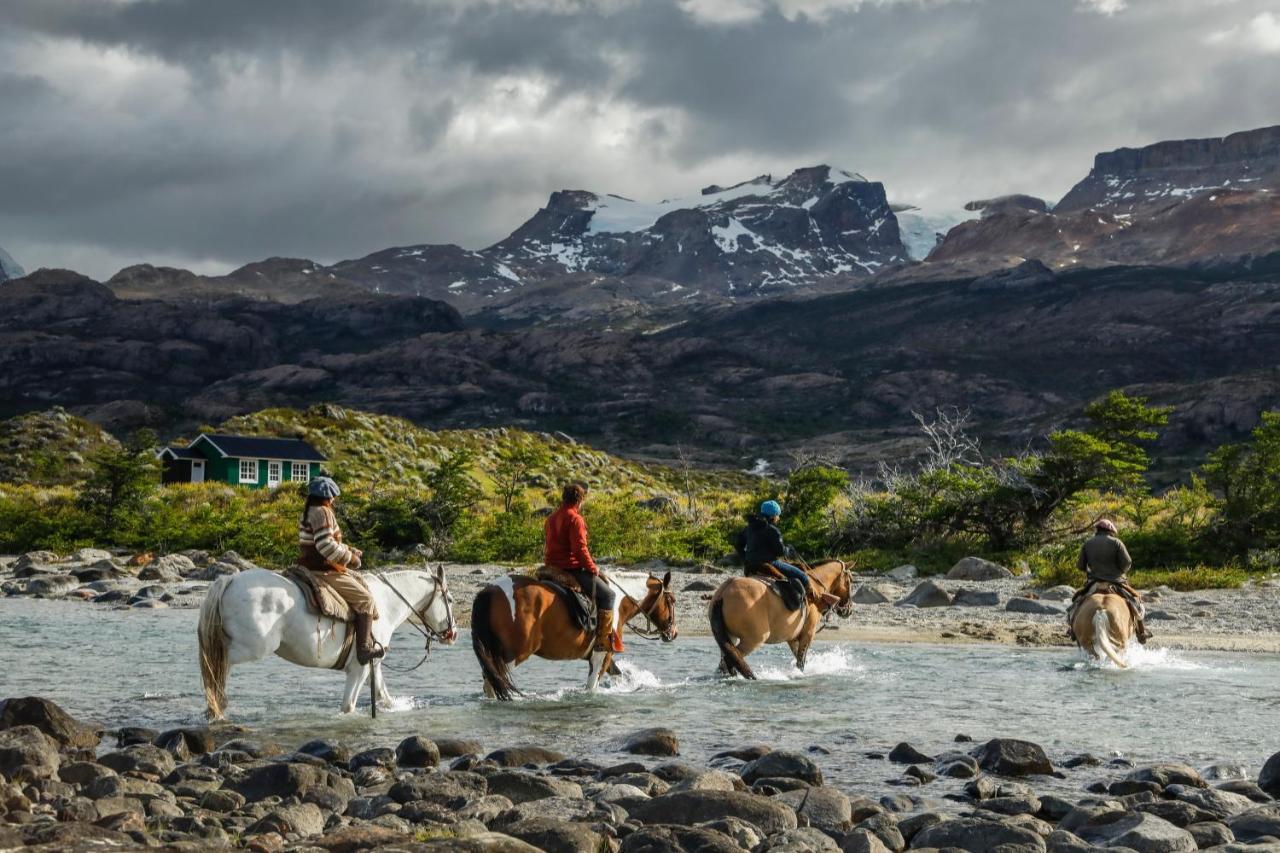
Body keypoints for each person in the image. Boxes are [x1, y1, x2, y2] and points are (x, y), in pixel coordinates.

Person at [298, 476, 384, 664]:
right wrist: (350, 559)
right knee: (366, 600)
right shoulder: (323, 512)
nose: (334, 500)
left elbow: (324, 541)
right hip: (324, 569)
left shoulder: (309, 511)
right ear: (327, 497)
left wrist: (350, 549)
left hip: (307, 565)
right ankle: (363, 650)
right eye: (333, 497)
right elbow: (325, 546)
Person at [544, 483, 623, 653]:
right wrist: (593, 568)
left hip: (551, 568)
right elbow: (580, 550)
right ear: (579, 500)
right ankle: (602, 641)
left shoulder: (551, 518)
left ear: (564, 498)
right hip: (570, 569)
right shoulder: (575, 519)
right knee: (609, 595)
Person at [735, 501, 836, 610]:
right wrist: (789, 550)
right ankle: (818, 604)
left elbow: (738, 545)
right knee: (803, 576)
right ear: (773, 516)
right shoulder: (773, 530)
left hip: (750, 566)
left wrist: (745, 558)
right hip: (769, 563)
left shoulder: (749, 528)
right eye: (778, 515)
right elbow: (780, 552)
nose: (778, 518)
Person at [1068, 518, 1151, 644]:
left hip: (1094, 582)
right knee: (1136, 602)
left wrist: (1090, 570)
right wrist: (1120, 570)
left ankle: (1072, 629)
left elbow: (1080, 565)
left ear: (1097, 530)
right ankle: (1142, 633)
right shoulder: (1117, 543)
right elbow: (1127, 563)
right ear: (1111, 531)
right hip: (1117, 581)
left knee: (1077, 602)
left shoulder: (1088, 543)